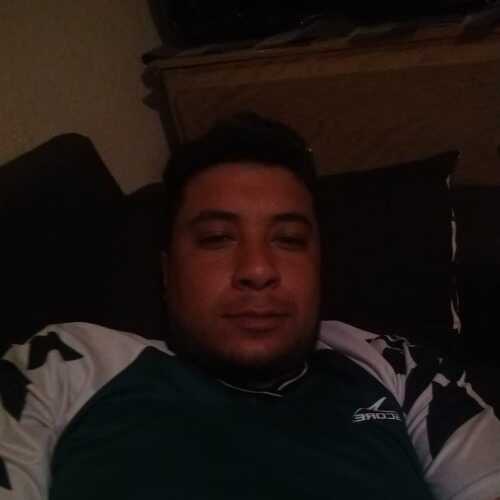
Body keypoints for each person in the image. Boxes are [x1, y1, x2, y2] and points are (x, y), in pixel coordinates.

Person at [0, 113, 499, 500]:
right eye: (217, 238)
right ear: (167, 269)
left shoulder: (399, 369)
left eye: (289, 239)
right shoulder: (63, 365)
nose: (258, 269)